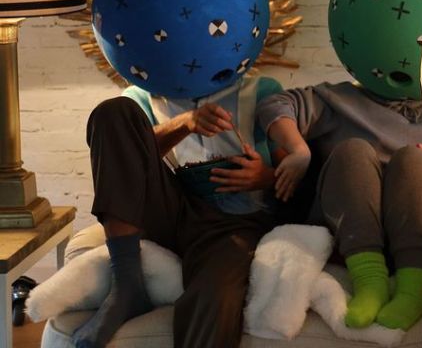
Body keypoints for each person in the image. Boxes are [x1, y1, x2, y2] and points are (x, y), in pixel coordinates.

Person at [76, 73, 294, 348]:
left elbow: (294, 170)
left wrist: (264, 177)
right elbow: (129, 155)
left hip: (234, 223)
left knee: (214, 294)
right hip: (173, 211)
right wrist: (185, 123)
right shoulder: (141, 96)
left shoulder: (262, 89)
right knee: (112, 112)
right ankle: (126, 285)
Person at [256, 82, 422, 331]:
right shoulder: (341, 98)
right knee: (353, 151)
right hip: (349, 231)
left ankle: (412, 290)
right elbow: (274, 105)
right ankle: (369, 281)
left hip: (414, 229)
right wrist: (299, 150)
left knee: (415, 159)